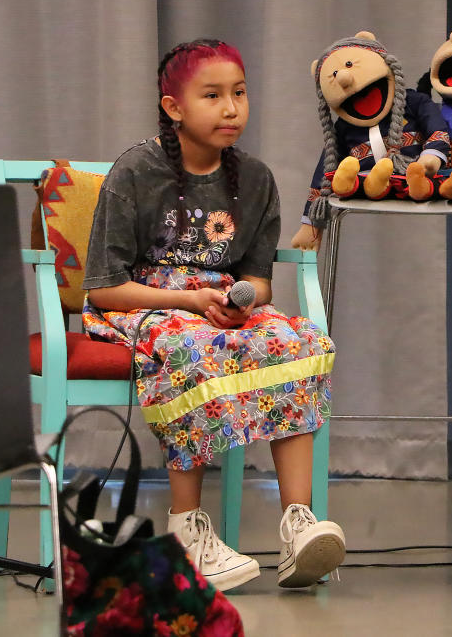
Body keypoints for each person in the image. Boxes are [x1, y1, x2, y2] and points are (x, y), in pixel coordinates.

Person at [82, 39, 345, 591]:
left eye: (240, 94)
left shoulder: (255, 179)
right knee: (192, 349)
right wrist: (188, 301)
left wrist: (239, 300)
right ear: (174, 107)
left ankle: (296, 526)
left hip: (216, 304)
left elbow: (259, 279)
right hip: (142, 303)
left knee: (299, 341)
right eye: (213, 96)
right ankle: (185, 532)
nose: (232, 109)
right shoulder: (135, 171)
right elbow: (106, 287)